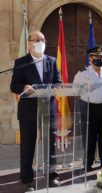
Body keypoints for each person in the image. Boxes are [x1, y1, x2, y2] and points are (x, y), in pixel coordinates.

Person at [10, 31, 61, 191]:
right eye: (37, 40)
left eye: (43, 40)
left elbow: (58, 82)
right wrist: (23, 87)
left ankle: (51, 175)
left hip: (48, 109)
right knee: (27, 145)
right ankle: (27, 179)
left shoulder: (51, 61)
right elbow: (13, 86)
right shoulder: (21, 62)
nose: (41, 42)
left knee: (50, 144)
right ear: (29, 43)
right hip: (28, 111)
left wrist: (56, 87)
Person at [73, 46, 102, 171]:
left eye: (101, 57)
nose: (99, 59)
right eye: (96, 57)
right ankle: (88, 164)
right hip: (90, 109)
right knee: (89, 137)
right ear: (90, 58)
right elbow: (75, 91)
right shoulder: (82, 74)